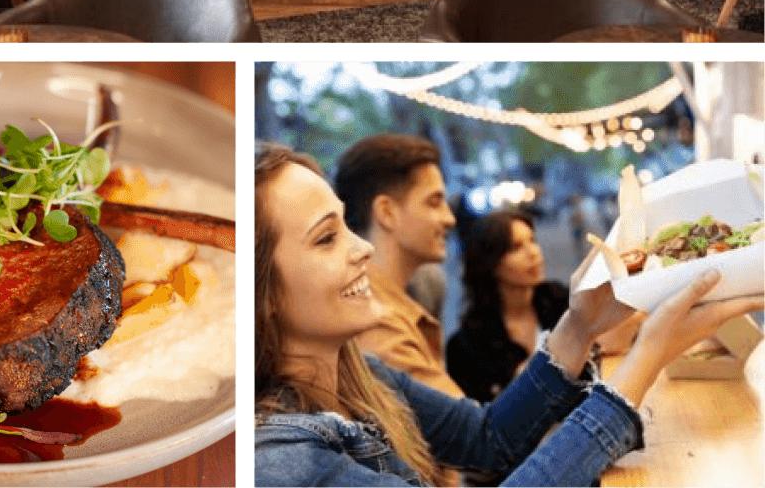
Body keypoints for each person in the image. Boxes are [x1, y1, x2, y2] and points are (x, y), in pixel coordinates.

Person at [253, 142, 765, 488]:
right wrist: (645, 358)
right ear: (263, 293)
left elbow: (488, 440)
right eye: (325, 238)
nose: (362, 248)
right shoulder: (280, 457)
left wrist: (580, 324)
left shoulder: (361, 372)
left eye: (346, 227)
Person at [333, 134, 464, 399]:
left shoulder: (393, 300)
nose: (449, 219)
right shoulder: (376, 322)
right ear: (387, 212)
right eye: (434, 202)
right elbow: (476, 436)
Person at [446, 210, 567, 403]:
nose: (533, 253)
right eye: (516, 247)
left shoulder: (560, 300)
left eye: (532, 240)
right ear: (490, 262)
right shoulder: (466, 347)